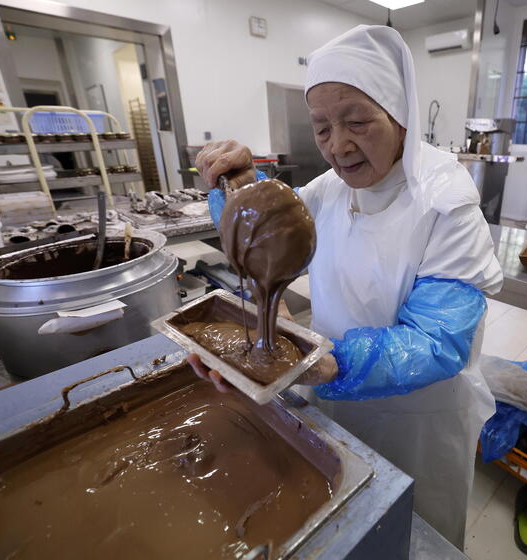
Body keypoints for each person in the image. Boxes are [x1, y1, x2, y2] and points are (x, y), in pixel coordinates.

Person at [191, 25, 503, 548]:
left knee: (412, 532)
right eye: (321, 128)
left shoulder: (446, 205)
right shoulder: (329, 190)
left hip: (420, 419)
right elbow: (260, 222)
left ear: (399, 112)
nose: (338, 145)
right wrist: (237, 181)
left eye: (358, 121)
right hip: (335, 395)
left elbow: (436, 341)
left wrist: (330, 363)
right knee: (348, 526)